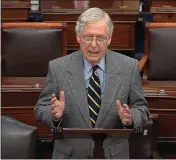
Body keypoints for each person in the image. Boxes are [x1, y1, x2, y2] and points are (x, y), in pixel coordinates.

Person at [35, 7, 149, 159]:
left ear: (109, 38)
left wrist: (129, 119)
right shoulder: (58, 68)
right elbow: (41, 108)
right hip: (70, 155)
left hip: (113, 155)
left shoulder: (129, 67)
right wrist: (55, 116)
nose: (94, 45)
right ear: (78, 37)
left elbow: (141, 108)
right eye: (88, 37)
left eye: (100, 38)